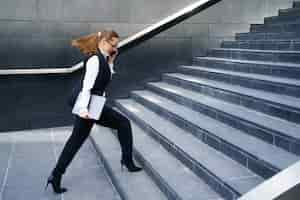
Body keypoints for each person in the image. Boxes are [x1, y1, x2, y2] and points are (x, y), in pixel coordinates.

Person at [45, 30, 142, 194]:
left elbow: (104, 79)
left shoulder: (103, 58)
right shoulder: (95, 60)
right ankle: (127, 161)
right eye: (113, 45)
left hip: (93, 104)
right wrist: (83, 109)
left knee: (78, 139)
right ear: (104, 41)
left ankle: (56, 175)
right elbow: (87, 86)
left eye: (117, 46)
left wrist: (111, 61)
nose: (115, 48)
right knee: (121, 124)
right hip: (88, 105)